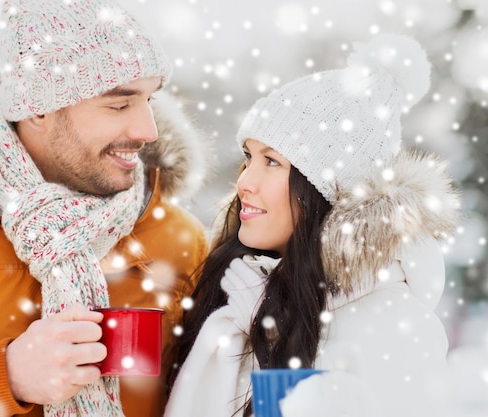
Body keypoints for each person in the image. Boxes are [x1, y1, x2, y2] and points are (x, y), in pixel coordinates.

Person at [0, 0, 211, 416]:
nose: (147, 129)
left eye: (149, 99)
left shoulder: (176, 236)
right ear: (37, 109)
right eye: (119, 104)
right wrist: (0, 376)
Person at [164, 33, 461, 417]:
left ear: (324, 191)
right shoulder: (238, 294)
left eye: (272, 162)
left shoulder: (396, 327)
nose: (243, 182)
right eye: (248, 157)